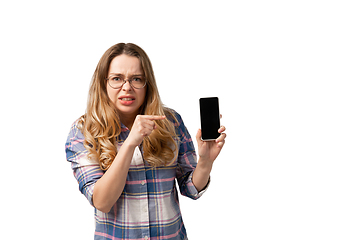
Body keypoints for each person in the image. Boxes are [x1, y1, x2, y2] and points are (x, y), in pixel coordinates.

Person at [65, 43, 226, 240]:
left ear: (147, 83)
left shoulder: (171, 122)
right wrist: (130, 143)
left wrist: (206, 162)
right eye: (117, 79)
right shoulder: (84, 131)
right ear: (103, 82)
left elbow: (191, 189)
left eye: (136, 79)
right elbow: (102, 202)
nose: (127, 87)